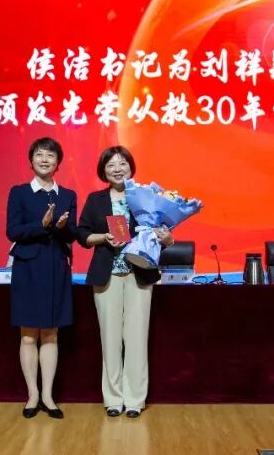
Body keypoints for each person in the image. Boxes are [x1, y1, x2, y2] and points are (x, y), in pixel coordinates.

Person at [76, 145, 173, 419]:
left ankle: (134, 399)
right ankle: (113, 398)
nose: (117, 169)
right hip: (106, 275)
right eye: (111, 165)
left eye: (122, 163)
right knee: (109, 339)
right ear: (103, 171)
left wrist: (167, 239)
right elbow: (82, 234)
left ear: (131, 166)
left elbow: (163, 235)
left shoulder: (145, 197)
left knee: (137, 338)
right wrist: (103, 237)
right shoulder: (96, 200)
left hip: (138, 274)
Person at [6, 137, 77, 420]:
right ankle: (32, 394)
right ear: (31, 160)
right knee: (27, 336)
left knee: (51, 333)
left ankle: (48, 395)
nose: (44, 159)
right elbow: (13, 231)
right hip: (28, 268)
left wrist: (61, 227)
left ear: (58, 163)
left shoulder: (68, 195)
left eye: (50, 155)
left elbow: (73, 234)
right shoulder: (19, 192)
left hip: (56, 266)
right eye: (39, 155)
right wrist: (42, 224)